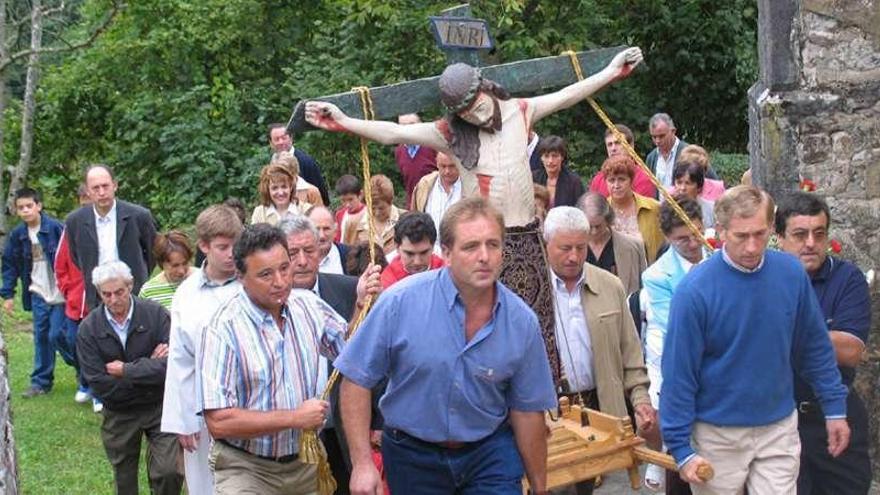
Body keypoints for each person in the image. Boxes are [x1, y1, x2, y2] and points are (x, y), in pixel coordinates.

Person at [307, 45, 644, 387]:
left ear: (486, 88)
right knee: (486, 326)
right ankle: (488, 396)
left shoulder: (520, 111)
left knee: (537, 323)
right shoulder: (451, 134)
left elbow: (567, 94)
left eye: (478, 106)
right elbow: (395, 133)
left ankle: (544, 400)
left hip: (527, 239)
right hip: (486, 244)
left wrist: (611, 71)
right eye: (466, 113)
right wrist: (345, 121)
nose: (476, 116)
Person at [335, 197, 557, 495]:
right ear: (447, 254)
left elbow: (528, 411)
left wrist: (540, 487)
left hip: (489, 454)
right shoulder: (399, 302)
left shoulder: (521, 322)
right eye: (471, 246)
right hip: (412, 457)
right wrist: (362, 463)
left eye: (493, 245)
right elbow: (355, 378)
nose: (484, 256)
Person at [660, 186, 850, 494]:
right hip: (717, 433)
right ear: (720, 231)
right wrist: (680, 447)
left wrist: (834, 408)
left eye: (760, 234)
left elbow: (814, 347)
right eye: (740, 236)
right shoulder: (694, 291)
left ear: (772, 228)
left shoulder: (790, 273)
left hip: (778, 427)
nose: (751, 247)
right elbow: (679, 374)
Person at [199, 224, 347, 494]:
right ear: (240, 276)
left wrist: (365, 305)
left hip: (306, 462)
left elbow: (354, 354)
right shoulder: (223, 329)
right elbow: (219, 422)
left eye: (284, 268)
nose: (280, 281)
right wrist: (294, 418)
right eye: (266, 274)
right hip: (245, 467)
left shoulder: (309, 307)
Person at [544, 206, 656, 495]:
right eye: (564, 248)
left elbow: (631, 353)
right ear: (547, 245)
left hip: (597, 407)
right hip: (549, 412)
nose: (573, 256)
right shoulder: (532, 289)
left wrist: (641, 400)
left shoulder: (609, 286)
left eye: (580, 248)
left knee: (586, 487)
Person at [776, 192, 872, 494]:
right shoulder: (765, 282)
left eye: (819, 234)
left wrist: (781, 331)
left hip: (834, 417)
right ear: (779, 238)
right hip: (780, 423)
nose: (810, 243)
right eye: (800, 234)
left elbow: (850, 350)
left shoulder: (847, 280)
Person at [280, 215, 383, 495]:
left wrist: (378, 421)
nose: (302, 261)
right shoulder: (266, 300)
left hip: (343, 427)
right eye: (293, 253)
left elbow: (372, 357)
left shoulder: (349, 288)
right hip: (289, 435)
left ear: (321, 251)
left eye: (309, 251)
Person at [76, 261, 183, 495]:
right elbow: (99, 384)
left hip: (160, 406)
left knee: (170, 471)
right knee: (124, 480)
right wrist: (150, 367)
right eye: (106, 294)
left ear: (131, 285)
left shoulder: (155, 314)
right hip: (119, 411)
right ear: (99, 293)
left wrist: (126, 370)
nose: (113, 299)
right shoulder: (89, 329)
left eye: (119, 292)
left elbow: (172, 366)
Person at [160, 205, 243, 495]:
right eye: (222, 247)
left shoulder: (251, 284)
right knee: (206, 481)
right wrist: (181, 419)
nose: (231, 253)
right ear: (204, 246)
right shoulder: (187, 293)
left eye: (235, 245)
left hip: (248, 401)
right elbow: (180, 360)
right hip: (201, 405)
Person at [641, 197, 710, 494]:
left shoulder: (721, 256)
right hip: (677, 365)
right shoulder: (656, 275)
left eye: (697, 233)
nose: (694, 243)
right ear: (668, 238)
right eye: (682, 239)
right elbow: (679, 328)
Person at [1, 187, 71, 398]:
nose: (25, 211)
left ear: (39, 206)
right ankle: (40, 382)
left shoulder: (57, 228)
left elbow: (72, 258)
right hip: (37, 291)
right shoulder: (18, 236)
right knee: (41, 336)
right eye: (21, 208)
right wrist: (8, 295)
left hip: (60, 292)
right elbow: (9, 265)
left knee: (57, 334)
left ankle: (83, 369)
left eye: (29, 206)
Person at [65, 164, 158, 309]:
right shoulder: (75, 221)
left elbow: (153, 252)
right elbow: (76, 257)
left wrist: (139, 275)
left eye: (105, 186)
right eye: (96, 188)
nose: (101, 192)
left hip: (134, 293)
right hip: (98, 296)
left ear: (115, 185)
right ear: (88, 191)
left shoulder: (139, 216)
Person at [55, 185, 101, 410]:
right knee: (72, 341)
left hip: (98, 302)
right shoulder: (70, 228)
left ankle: (97, 391)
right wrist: (68, 289)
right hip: (74, 302)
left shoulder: (103, 229)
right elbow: (60, 264)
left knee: (98, 345)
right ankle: (84, 378)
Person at [577, 192, 647, 296]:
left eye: (598, 226)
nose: (594, 231)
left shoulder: (634, 246)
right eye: (589, 226)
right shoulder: (572, 247)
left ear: (608, 219)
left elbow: (643, 290)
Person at [602, 155, 663, 264]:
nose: (616, 185)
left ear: (631, 180)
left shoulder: (653, 208)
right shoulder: (601, 211)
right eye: (611, 180)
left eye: (621, 179)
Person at [267, 122, 330, 205]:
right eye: (277, 139)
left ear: (291, 138)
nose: (281, 142)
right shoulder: (272, 162)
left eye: (284, 138)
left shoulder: (305, 161)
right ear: (271, 143)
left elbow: (322, 195)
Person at [380, 212, 445, 289]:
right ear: (397, 247)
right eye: (409, 254)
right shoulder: (387, 280)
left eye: (424, 253)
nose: (417, 262)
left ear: (433, 246)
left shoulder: (447, 273)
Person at [590, 125, 657, 198]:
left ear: (631, 146)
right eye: (609, 144)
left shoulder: (643, 178)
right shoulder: (598, 180)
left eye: (618, 143)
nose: (613, 148)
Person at [139, 230, 196, 308]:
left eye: (185, 263)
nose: (181, 271)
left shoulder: (202, 280)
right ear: (162, 263)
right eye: (175, 265)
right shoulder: (149, 291)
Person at [412, 151, 462, 238]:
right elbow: (414, 216)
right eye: (443, 166)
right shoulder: (425, 185)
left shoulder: (470, 188)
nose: (447, 171)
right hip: (430, 247)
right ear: (437, 164)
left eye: (452, 166)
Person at [394, 113, 438, 208]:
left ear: (421, 125)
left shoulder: (433, 145)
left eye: (412, 124)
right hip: (414, 204)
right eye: (403, 126)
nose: (408, 129)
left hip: (435, 201)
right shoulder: (399, 151)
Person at [355, 174, 405, 256]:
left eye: (381, 208)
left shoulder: (405, 219)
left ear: (390, 201)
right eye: (372, 208)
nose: (377, 213)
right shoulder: (359, 224)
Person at [251, 161, 313, 226]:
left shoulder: (306, 210)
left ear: (291, 187)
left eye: (284, 187)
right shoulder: (259, 213)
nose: (280, 193)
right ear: (267, 190)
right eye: (274, 188)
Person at [531, 135, 585, 207]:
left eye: (555, 156)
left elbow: (581, 210)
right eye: (546, 156)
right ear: (541, 158)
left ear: (562, 157)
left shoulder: (574, 182)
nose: (550, 161)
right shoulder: (533, 178)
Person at [670, 161, 715, 229]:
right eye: (679, 183)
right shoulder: (668, 210)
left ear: (699, 187)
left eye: (688, 183)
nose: (682, 188)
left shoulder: (711, 209)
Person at [306, 206, 349, 275]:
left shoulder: (350, 255)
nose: (321, 236)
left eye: (326, 229)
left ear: (335, 231)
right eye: (316, 229)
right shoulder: (296, 261)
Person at [335, 175, 367, 245]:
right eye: (343, 200)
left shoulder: (367, 213)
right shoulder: (340, 214)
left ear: (360, 195)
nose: (347, 205)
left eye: (351, 199)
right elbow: (338, 237)